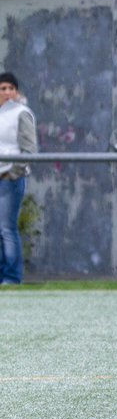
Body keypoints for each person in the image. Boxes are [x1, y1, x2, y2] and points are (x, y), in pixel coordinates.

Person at [0, 73, 36, 285]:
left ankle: (12, 277)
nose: (6, 93)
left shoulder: (22, 113)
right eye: (2, 88)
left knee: (7, 229)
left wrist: (14, 172)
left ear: (16, 91)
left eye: (10, 88)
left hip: (9, 178)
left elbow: (29, 150)